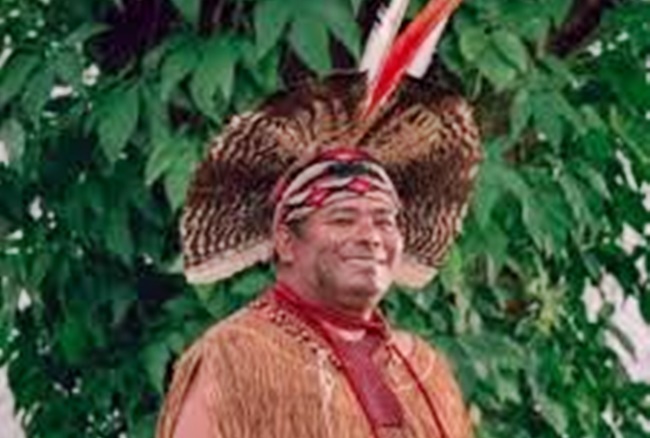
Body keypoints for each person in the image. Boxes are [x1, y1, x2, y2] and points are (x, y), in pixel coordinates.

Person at [156, 1, 481, 437]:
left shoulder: (424, 368)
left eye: (385, 220)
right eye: (343, 218)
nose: (371, 236)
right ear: (286, 240)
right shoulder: (232, 357)